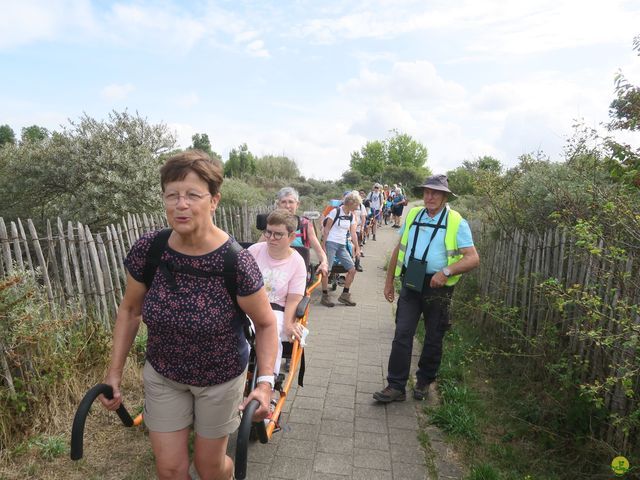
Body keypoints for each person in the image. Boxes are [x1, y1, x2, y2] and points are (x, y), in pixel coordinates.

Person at [100, 150, 278, 480]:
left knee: (210, 469)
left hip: (220, 379)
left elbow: (267, 324)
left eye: (192, 195)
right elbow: (129, 310)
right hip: (164, 373)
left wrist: (264, 384)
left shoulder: (235, 262)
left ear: (213, 200)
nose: (181, 204)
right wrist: (114, 373)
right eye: (172, 195)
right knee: (170, 469)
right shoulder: (149, 249)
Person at [373, 174, 480, 403]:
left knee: (433, 337)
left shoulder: (456, 221)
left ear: (444, 196)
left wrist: (446, 272)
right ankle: (395, 386)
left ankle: (424, 381)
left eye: (436, 193)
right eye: (427, 192)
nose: (430, 197)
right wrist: (389, 281)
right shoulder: (413, 214)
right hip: (411, 281)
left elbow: (472, 259)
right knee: (402, 333)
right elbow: (398, 248)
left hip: (438, 287)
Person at [248, 209, 307, 385]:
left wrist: (289, 324)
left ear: (291, 236)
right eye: (268, 232)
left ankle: (267, 385)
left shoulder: (297, 262)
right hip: (249, 305)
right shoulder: (254, 251)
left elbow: (294, 299)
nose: (271, 238)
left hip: (276, 309)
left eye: (278, 234)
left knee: (271, 331)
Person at [263, 187, 329, 278]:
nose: (287, 206)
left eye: (291, 202)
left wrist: (324, 262)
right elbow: (259, 246)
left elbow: (319, 251)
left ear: (297, 204)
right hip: (272, 269)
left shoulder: (305, 225)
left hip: (297, 271)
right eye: (283, 202)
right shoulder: (272, 224)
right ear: (278, 204)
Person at [320, 191, 362, 307]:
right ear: (350, 203)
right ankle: (324, 296)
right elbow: (326, 230)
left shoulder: (352, 215)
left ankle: (344, 295)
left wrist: (357, 248)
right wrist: (323, 246)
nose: (357, 207)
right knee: (326, 270)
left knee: (352, 270)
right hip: (331, 243)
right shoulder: (335, 212)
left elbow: (353, 233)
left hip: (342, 245)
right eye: (356, 204)